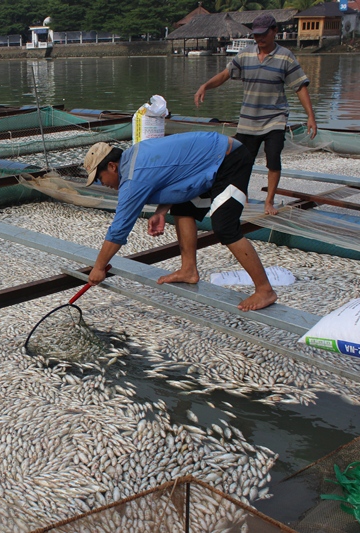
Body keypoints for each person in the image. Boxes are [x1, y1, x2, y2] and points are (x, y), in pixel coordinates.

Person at [83, 132, 278, 312]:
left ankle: (265, 290)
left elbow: (119, 229)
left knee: (225, 227)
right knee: (183, 208)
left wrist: (99, 267)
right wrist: (162, 210)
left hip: (229, 159)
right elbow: (175, 175)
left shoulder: (133, 177)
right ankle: (189, 270)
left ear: (112, 166)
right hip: (209, 161)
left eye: (100, 179)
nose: (104, 185)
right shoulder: (134, 158)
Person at [194, 13, 317, 216]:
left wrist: (311, 116)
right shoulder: (245, 55)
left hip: (274, 119)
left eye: (263, 34)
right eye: (256, 35)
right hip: (248, 120)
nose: (259, 39)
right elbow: (225, 74)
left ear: (274, 31)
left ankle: (269, 202)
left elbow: (300, 87)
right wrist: (205, 85)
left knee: (273, 158)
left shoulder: (285, 56)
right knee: (241, 160)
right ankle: (242, 197)